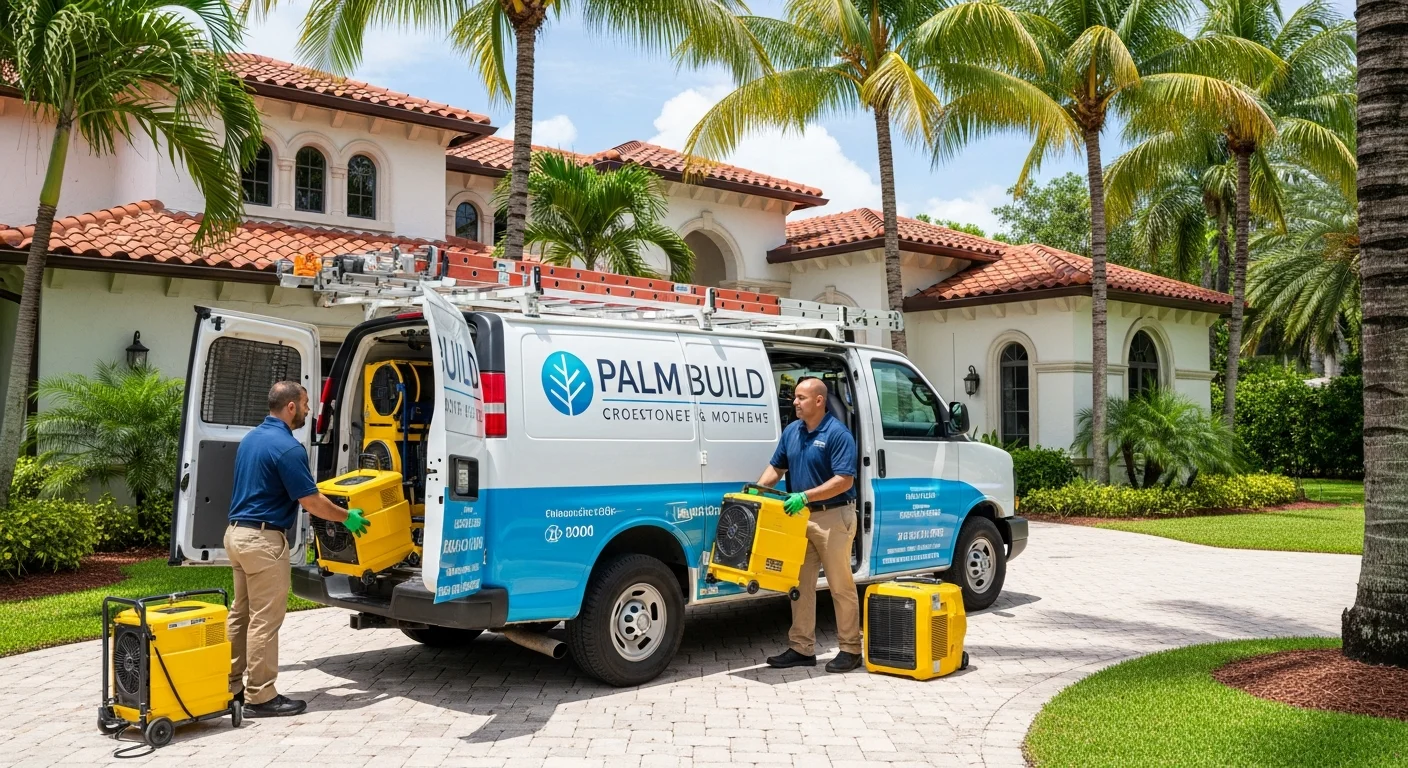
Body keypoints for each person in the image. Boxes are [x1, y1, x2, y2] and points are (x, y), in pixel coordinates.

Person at [226, 380, 371, 717]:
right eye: (306, 403)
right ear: (291, 406)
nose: (309, 410)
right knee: (264, 620)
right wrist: (346, 517)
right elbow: (311, 501)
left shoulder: (251, 439)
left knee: (241, 614)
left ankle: (230, 687)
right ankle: (260, 697)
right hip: (263, 541)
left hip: (236, 535)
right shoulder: (288, 447)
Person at [755, 376, 862, 672]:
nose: (795, 402)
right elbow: (776, 468)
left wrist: (804, 496)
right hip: (799, 519)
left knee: (840, 586)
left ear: (819, 401)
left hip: (833, 516)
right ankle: (802, 648)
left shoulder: (837, 434)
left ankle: (851, 649)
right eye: (796, 397)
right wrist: (756, 491)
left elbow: (844, 480)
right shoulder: (792, 431)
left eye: (801, 397)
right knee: (799, 585)